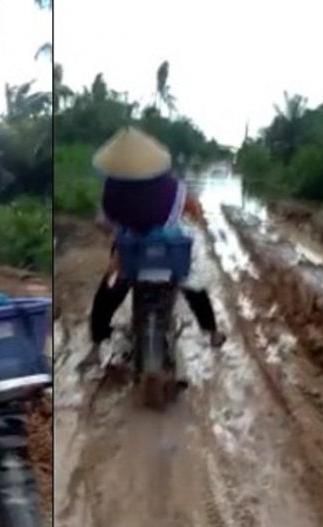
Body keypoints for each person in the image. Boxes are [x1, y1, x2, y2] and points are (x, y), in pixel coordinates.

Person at [81, 127, 226, 369]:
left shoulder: (113, 189)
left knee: (107, 294)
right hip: (169, 254)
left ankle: (96, 346)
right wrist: (194, 219)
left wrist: (117, 231)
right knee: (193, 285)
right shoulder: (169, 186)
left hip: (131, 254)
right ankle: (211, 332)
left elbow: (104, 222)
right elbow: (193, 209)